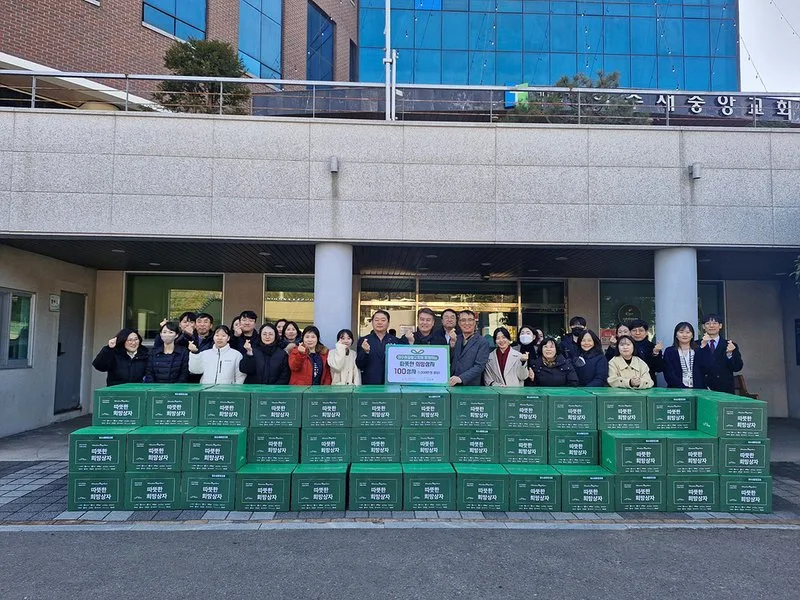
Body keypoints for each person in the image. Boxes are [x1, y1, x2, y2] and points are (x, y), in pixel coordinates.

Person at [697, 313, 743, 393]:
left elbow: (737, 367)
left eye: (715, 323)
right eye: (708, 323)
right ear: (703, 327)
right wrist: (701, 347)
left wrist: (729, 354)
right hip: (702, 388)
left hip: (724, 389)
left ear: (720, 326)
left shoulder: (730, 344)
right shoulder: (696, 344)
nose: (711, 326)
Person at [356, 310, 401, 385]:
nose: (379, 322)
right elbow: (359, 364)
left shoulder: (395, 341)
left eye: (383, 320)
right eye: (376, 320)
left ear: (388, 323)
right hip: (370, 383)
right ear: (372, 322)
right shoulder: (364, 340)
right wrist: (365, 352)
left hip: (391, 384)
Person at [449, 310, 490, 386]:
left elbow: (479, 366)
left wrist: (461, 378)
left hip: (471, 386)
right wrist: (452, 345)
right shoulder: (455, 339)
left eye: (470, 320)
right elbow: (449, 360)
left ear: (474, 322)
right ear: (459, 323)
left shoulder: (482, 342)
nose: (467, 323)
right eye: (463, 320)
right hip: (452, 383)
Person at [663, 322, 704, 389]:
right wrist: (681, 387)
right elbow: (669, 373)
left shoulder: (699, 350)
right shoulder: (669, 351)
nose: (684, 335)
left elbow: (705, 369)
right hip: (676, 390)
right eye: (681, 332)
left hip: (698, 389)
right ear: (676, 335)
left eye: (688, 332)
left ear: (692, 335)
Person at [629, 319, 664, 385]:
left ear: (646, 332)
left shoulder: (653, 347)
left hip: (648, 383)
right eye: (634, 330)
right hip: (628, 383)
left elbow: (659, 369)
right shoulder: (624, 346)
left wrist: (655, 353)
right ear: (630, 332)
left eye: (641, 330)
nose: (637, 333)